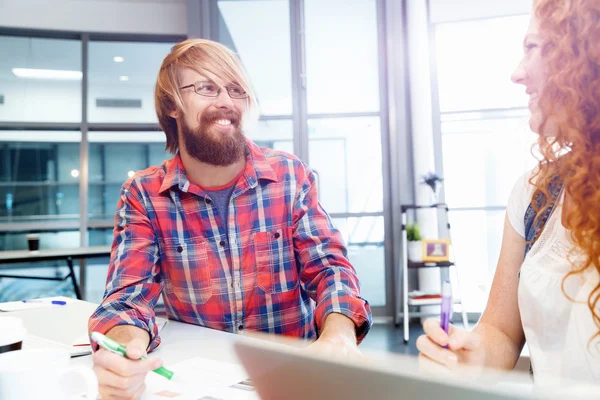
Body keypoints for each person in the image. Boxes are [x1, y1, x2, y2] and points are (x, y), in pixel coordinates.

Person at [88, 38, 372, 399]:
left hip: (291, 380)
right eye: (206, 87)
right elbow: (126, 299)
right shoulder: (144, 194)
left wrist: (338, 337)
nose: (226, 101)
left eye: (236, 90)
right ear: (173, 105)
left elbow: (331, 269)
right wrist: (126, 351)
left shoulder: (289, 175)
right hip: (197, 387)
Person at [417, 0, 600, 386]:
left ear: (586, 56)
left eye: (532, 48)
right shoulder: (536, 194)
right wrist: (473, 354)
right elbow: (500, 332)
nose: (517, 74)